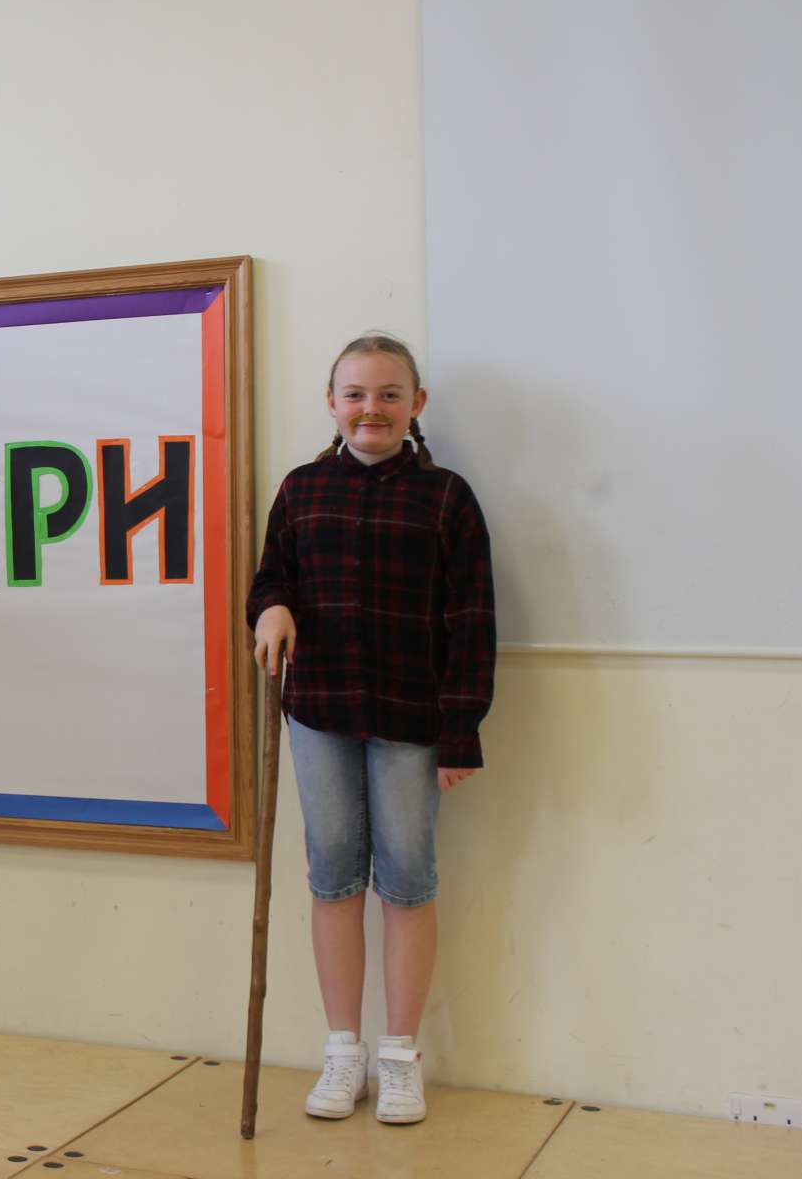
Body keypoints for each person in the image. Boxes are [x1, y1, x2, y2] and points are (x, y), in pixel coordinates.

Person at [246, 333, 496, 1125]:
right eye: (355, 394)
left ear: (416, 404)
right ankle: (342, 1051)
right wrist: (271, 610)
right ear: (332, 402)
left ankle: (399, 1058)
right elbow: (271, 578)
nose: (371, 409)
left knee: (408, 881)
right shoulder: (301, 489)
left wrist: (461, 729)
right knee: (333, 878)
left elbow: (472, 620)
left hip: (411, 721)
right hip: (320, 713)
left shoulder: (447, 498)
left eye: (389, 395)